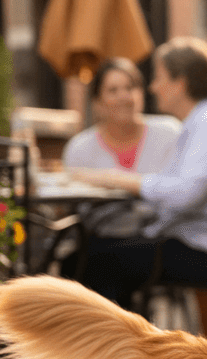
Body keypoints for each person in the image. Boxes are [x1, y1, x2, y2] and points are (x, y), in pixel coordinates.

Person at [67, 37, 207, 310]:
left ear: (179, 83)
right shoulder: (204, 121)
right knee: (96, 254)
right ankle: (131, 345)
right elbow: (179, 189)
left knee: (93, 260)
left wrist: (123, 180)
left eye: (159, 78)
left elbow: (186, 194)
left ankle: (125, 347)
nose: (153, 87)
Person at [60, 57, 181, 238]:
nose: (124, 96)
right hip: (102, 244)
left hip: (163, 241)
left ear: (142, 93)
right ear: (97, 102)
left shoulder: (170, 132)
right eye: (113, 90)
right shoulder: (79, 149)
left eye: (130, 87)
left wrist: (108, 179)